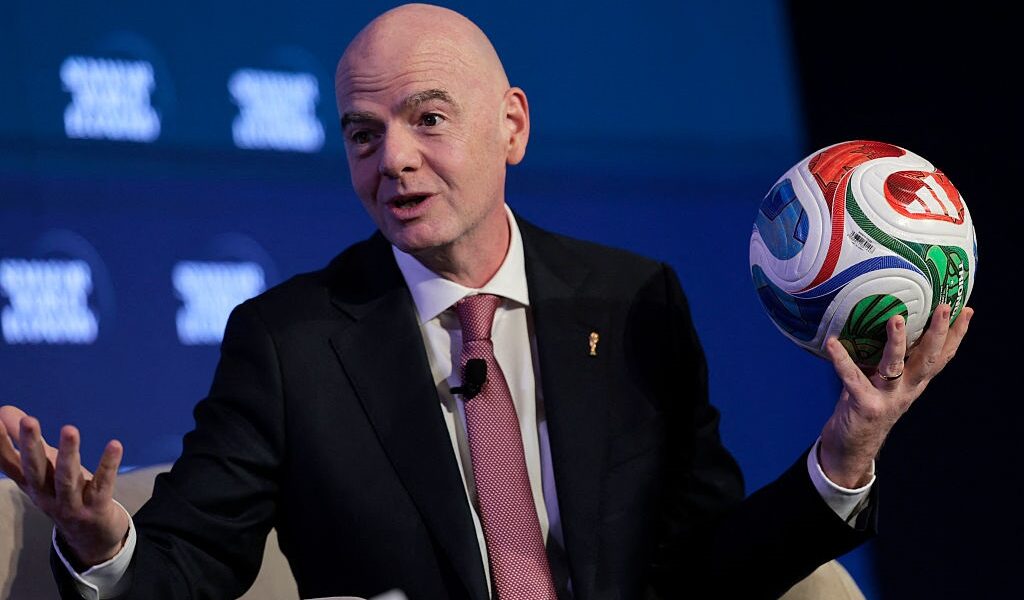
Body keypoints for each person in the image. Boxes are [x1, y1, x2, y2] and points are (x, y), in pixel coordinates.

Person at [0, 4, 972, 599]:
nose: (393, 160)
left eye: (427, 119)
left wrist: (846, 452)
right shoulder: (289, 341)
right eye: (363, 134)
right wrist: (100, 540)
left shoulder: (633, 301)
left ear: (511, 127)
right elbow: (190, 567)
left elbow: (705, 569)